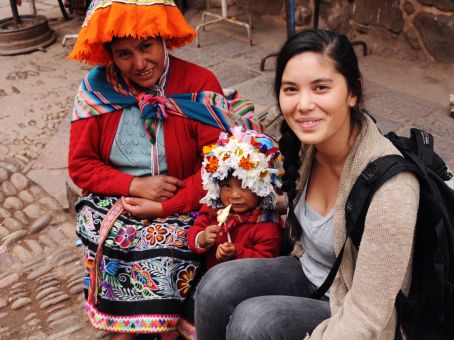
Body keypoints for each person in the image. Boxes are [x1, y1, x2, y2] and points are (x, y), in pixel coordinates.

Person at [194, 29, 420, 340]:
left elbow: (368, 316)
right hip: (308, 270)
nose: (303, 105)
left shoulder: (391, 189)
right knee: (215, 287)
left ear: (353, 92)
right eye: (290, 89)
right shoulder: (308, 147)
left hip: (352, 308)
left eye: (321, 88)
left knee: (254, 322)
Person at [67, 1, 257, 339]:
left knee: (177, 241)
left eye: (146, 47)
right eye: (124, 54)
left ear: (163, 39)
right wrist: (134, 186)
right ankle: (122, 325)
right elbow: (81, 166)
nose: (140, 64)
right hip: (118, 198)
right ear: (109, 54)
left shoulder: (198, 83)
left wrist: (166, 204)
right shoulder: (96, 90)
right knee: (110, 237)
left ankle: (167, 328)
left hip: (188, 198)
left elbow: (220, 167)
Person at [187, 127, 285, 269]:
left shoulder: (266, 224)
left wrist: (237, 252)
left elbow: (267, 262)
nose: (234, 195)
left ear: (261, 188)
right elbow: (194, 231)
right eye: (226, 185)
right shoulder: (213, 210)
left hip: (247, 283)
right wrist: (202, 238)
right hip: (209, 276)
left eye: (245, 186)